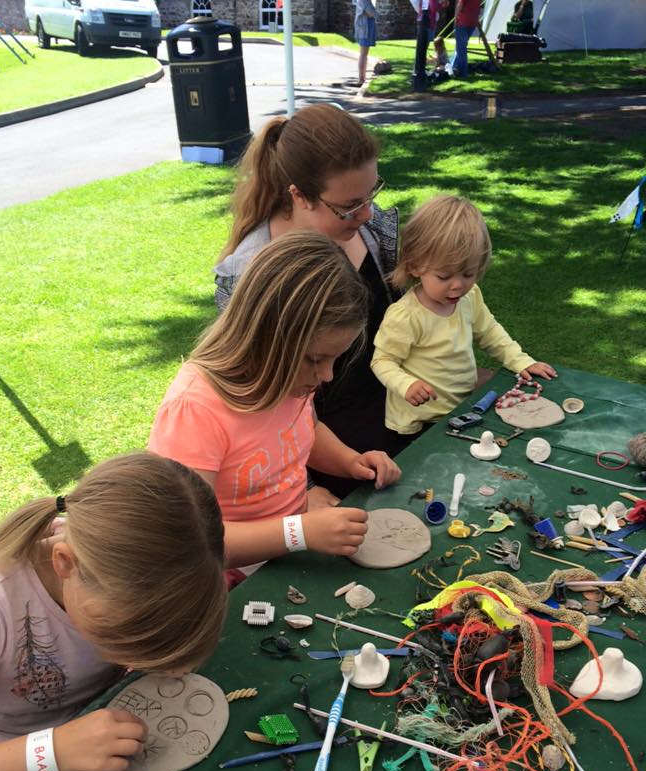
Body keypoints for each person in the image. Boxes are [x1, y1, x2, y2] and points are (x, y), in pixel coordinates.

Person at [0, 453, 226, 771]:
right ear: (64, 563)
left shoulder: (123, 565)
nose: (129, 659)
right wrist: (53, 752)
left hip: (85, 747)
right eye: (119, 638)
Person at [150, 232, 402, 574]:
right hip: (226, 578)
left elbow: (305, 431)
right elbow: (191, 541)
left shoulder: (288, 380)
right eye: (316, 359)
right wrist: (299, 533)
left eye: (334, 360)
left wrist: (350, 461)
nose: (326, 375)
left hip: (288, 553)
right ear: (267, 338)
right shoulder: (195, 409)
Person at [213, 103, 401, 500]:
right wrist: (305, 487)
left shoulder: (368, 231)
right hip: (315, 459)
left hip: (393, 429)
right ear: (299, 195)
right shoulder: (248, 275)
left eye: (372, 194)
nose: (368, 214)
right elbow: (262, 404)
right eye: (350, 206)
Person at [371, 195, 556, 439]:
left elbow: (490, 332)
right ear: (415, 266)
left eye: (468, 273)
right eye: (444, 276)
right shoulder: (405, 316)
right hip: (419, 420)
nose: (458, 285)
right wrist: (406, 385)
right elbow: (382, 361)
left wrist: (520, 361)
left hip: (461, 410)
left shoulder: (469, 298)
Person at [451, 0, 481, 78]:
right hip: (472, 22)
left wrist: (455, 17)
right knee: (461, 47)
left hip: (462, 21)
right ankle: (454, 67)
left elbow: (460, 4)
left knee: (461, 49)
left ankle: (462, 73)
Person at [354, 0, 377, 86]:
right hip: (364, 28)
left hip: (365, 27)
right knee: (363, 54)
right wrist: (375, 13)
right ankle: (361, 79)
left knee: (364, 54)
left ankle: (362, 78)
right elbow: (371, 12)